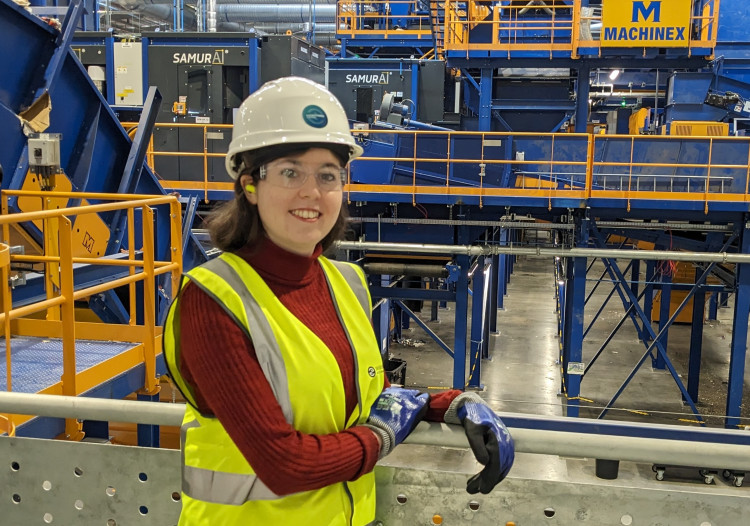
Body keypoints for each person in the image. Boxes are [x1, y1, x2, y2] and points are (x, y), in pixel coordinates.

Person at [163, 76, 514, 526]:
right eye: (290, 171)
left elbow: (362, 396)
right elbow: (283, 464)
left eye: (328, 175)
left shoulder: (344, 281)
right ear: (249, 184)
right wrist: (381, 436)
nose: (312, 192)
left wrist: (452, 403)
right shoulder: (213, 301)